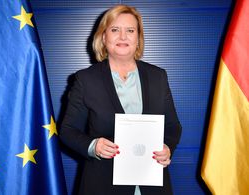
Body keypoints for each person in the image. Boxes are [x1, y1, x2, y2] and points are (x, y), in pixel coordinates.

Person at [60, 4, 182, 195]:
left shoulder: (158, 76)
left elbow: (173, 126)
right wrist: (94, 146)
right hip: (102, 185)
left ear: (138, 38)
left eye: (130, 30)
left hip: (152, 185)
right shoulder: (85, 79)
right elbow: (67, 131)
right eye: (115, 30)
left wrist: (167, 147)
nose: (123, 37)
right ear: (103, 37)